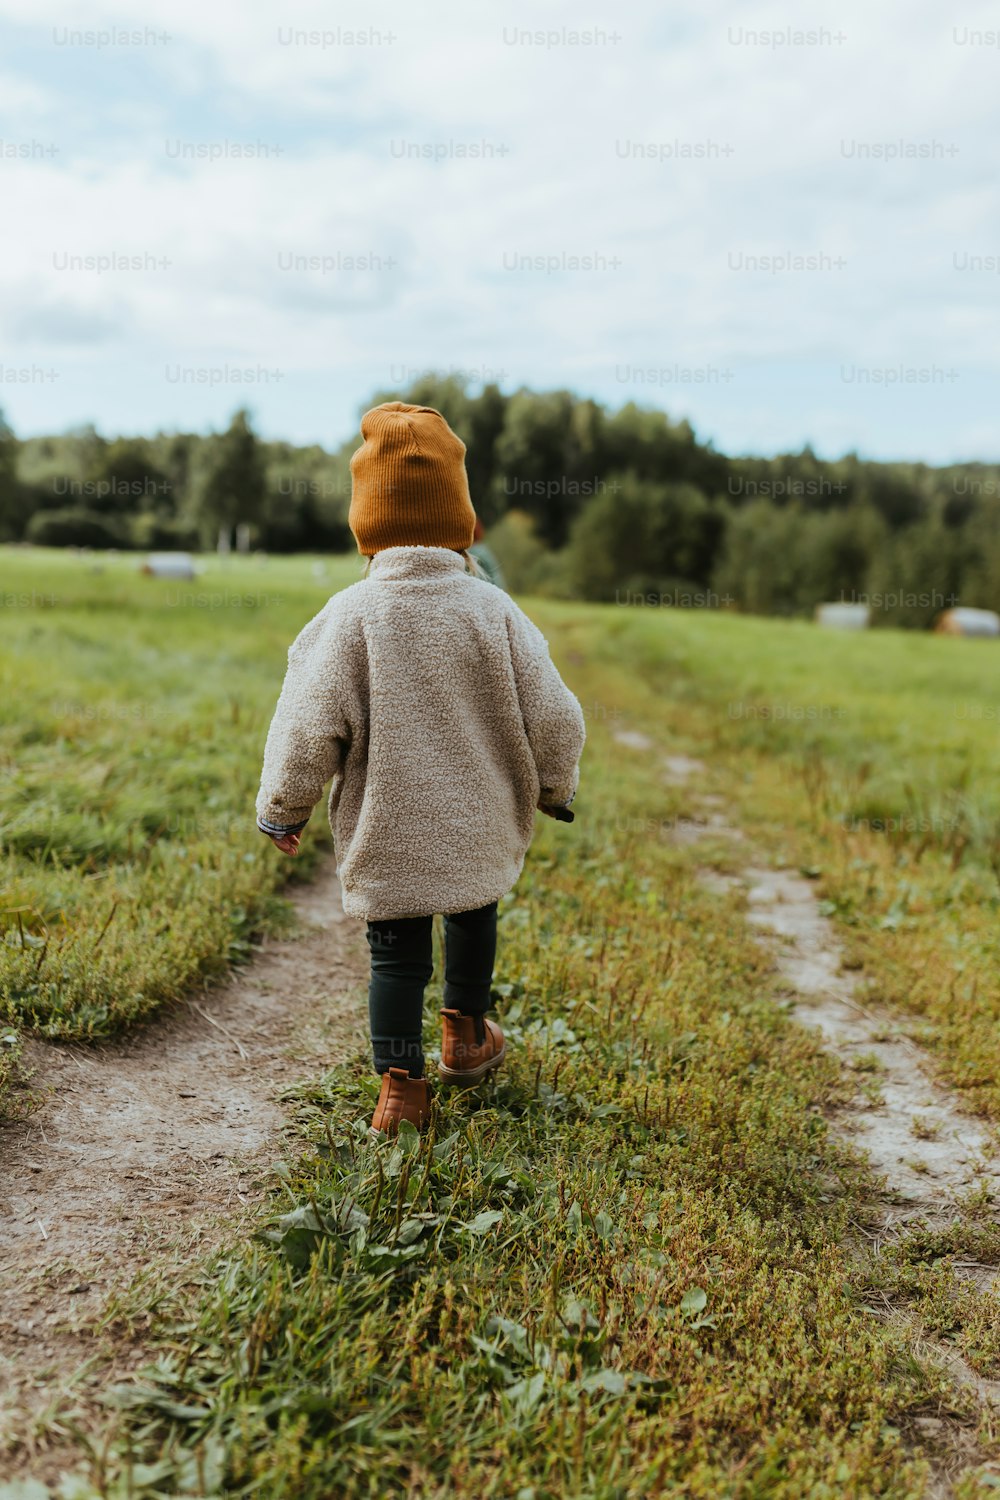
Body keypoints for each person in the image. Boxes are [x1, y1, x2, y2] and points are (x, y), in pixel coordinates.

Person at [255, 402, 585, 1137]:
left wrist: (285, 806)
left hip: (389, 826)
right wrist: (556, 786)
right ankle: (466, 1038)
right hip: (478, 820)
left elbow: (308, 726)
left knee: (395, 957)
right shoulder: (494, 611)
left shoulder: (348, 616)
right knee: (474, 916)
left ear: (364, 525)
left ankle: (401, 1092)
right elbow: (556, 715)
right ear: (464, 523)